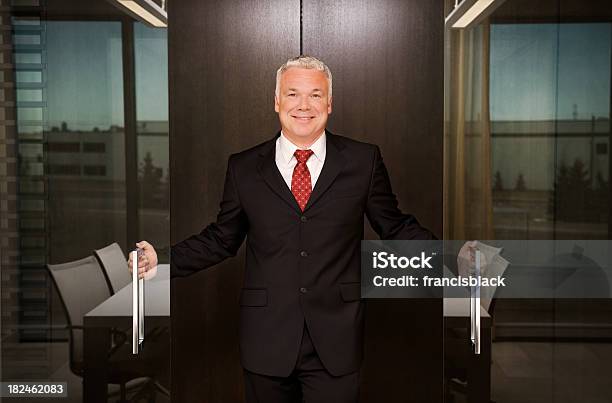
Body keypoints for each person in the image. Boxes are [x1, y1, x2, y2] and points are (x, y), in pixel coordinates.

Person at [130, 55, 437, 403]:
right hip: (267, 337)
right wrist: (162, 259)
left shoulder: (363, 161)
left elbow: (395, 226)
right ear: (277, 101)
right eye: (292, 94)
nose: (304, 105)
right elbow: (221, 239)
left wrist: (453, 260)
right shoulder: (244, 167)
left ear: (330, 103)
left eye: (315, 95)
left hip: (336, 337)